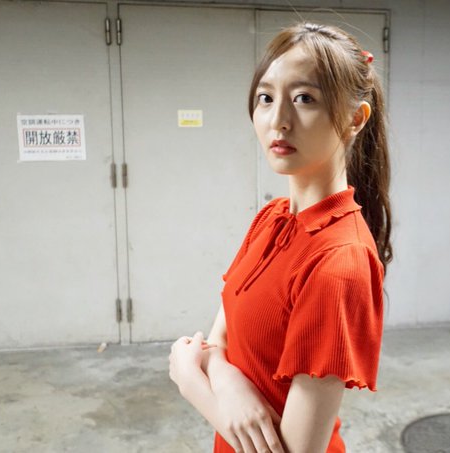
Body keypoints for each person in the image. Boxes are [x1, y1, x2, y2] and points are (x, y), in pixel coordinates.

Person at [168, 21, 392, 453]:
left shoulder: (339, 262)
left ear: (355, 119)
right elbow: (219, 342)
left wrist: (190, 380)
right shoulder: (272, 219)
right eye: (266, 98)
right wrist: (226, 379)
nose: (278, 120)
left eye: (304, 98)